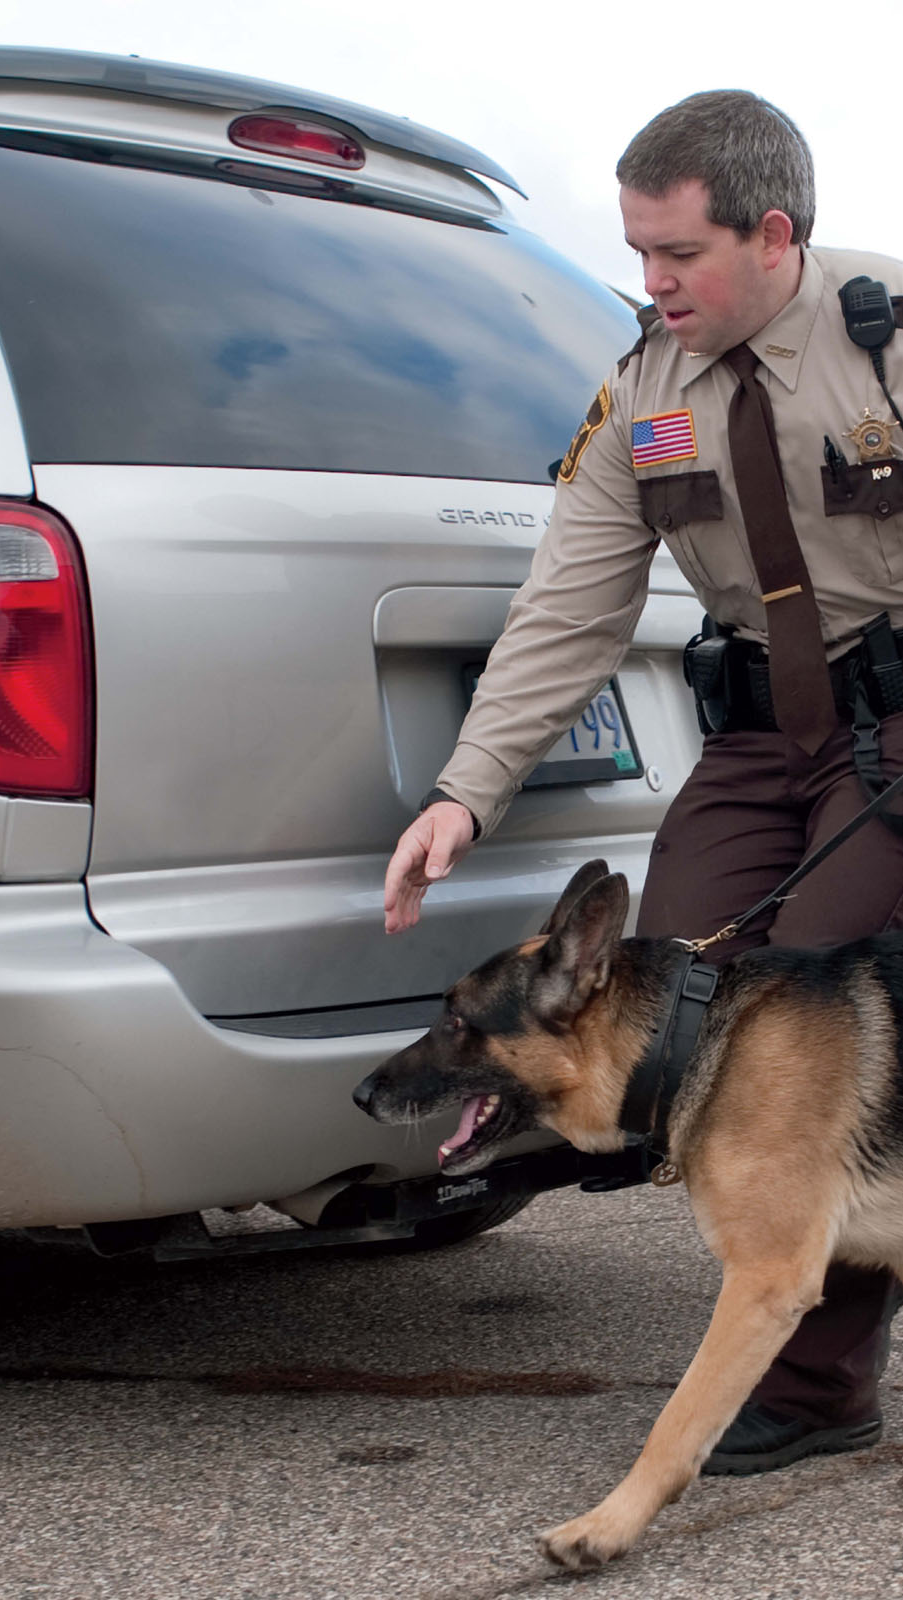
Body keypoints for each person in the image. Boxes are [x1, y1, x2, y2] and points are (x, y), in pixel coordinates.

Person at [383, 88, 903, 1476]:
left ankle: (808, 1380)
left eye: (676, 255)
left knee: (804, 1013)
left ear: (772, 234)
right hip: (753, 735)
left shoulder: (888, 341)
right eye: (635, 253)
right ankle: (764, 1298)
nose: (650, 282)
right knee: (664, 984)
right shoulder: (640, 390)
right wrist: (462, 791)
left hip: (898, 722)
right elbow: (572, 604)